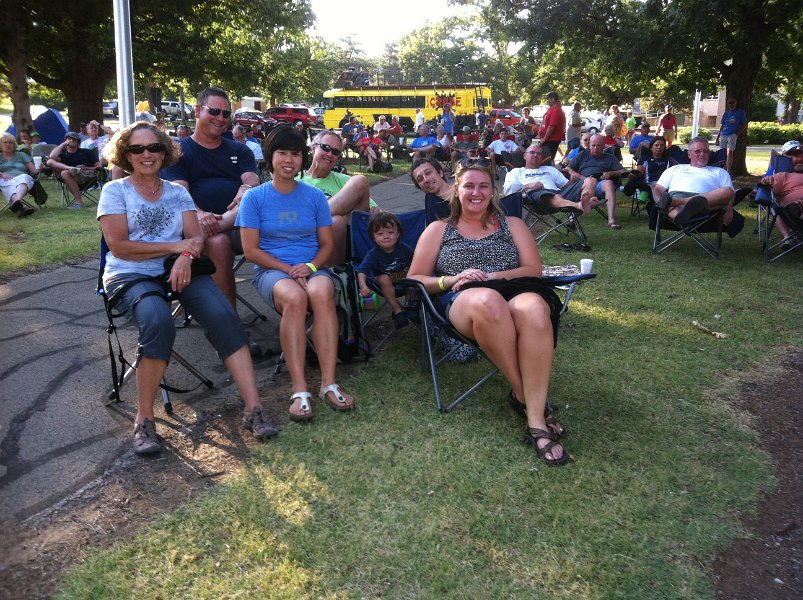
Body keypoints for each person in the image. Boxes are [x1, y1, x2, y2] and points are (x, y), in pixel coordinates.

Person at [97, 122, 278, 455]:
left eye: (154, 147)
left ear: (165, 152)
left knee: (224, 316)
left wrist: (184, 256)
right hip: (130, 274)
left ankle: (254, 408)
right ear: (126, 154)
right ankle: (144, 421)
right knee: (157, 320)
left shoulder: (178, 193)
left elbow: (195, 239)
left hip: (178, 269)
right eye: (137, 149)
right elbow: (119, 246)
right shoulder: (115, 191)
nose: (147, 154)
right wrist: (175, 248)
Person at [407, 163, 568, 465]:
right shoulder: (439, 229)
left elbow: (533, 269)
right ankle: (529, 402)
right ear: (457, 190)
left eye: (484, 186)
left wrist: (493, 276)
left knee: (535, 307)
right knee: (488, 300)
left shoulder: (512, 225)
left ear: (493, 191)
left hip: (513, 290)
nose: (476, 192)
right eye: (469, 185)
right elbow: (415, 278)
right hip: (462, 300)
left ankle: (530, 412)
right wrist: (451, 279)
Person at [237, 125, 356, 422]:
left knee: (322, 291)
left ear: (303, 157)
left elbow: (327, 244)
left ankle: (329, 384)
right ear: (270, 156)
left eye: (295, 154)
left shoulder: (314, 197)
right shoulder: (254, 198)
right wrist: (289, 269)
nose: (289, 160)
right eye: (282, 153)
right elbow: (251, 251)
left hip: (312, 267)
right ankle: (299, 388)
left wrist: (311, 267)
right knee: (294, 297)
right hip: (272, 270)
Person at [161, 86, 261, 348]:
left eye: (226, 114)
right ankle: (230, 332)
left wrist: (246, 188)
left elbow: (252, 177)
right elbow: (179, 192)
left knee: (257, 204)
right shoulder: (178, 151)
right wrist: (200, 214)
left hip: (240, 224)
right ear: (198, 111)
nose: (221, 118)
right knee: (217, 241)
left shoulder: (240, 150)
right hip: (196, 227)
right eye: (214, 111)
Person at [300, 129, 377, 264]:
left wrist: (377, 212)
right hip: (304, 236)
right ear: (313, 148)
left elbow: (373, 209)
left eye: (335, 152)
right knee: (335, 221)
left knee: (360, 181)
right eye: (325, 148)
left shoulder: (344, 180)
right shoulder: (297, 180)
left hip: (343, 241)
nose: (330, 154)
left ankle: (336, 271)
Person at [652, 136, 736, 227]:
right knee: (675, 208)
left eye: (706, 151)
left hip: (707, 200)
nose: (702, 154)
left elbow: (730, 194)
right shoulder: (675, 169)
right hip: (679, 196)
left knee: (728, 191)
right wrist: (660, 201)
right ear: (689, 154)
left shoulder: (720, 172)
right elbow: (658, 188)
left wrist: (729, 210)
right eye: (697, 151)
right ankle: (682, 210)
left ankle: (680, 203)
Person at [357, 211, 415, 329]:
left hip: (406, 281)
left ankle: (414, 306)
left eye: (390, 232)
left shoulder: (404, 249)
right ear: (373, 237)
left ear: (398, 234)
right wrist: (363, 286)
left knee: (414, 274)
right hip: (385, 285)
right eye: (380, 233)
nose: (386, 236)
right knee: (383, 278)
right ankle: (397, 311)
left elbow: (416, 262)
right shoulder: (373, 255)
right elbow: (362, 271)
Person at [503, 143, 596, 214]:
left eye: (538, 153)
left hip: (559, 193)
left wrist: (574, 182)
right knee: (551, 195)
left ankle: (585, 202)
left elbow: (567, 186)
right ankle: (577, 205)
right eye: (532, 152)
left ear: (541, 157)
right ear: (524, 156)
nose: (535, 155)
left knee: (590, 180)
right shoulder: (516, 171)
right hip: (536, 199)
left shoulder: (550, 169)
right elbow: (508, 190)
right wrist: (528, 186)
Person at [565, 133, 625, 228]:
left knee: (609, 183)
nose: (595, 148)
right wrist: (577, 175)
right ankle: (572, 219)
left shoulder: (610, 158)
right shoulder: (582, 155)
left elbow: (623, 171)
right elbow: (568, 168)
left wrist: (611, 173)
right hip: (582, 184)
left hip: (599, 185)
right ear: (589, 145)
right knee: (584, 182)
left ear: (604, 145)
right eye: (593, 145)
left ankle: (611, 220)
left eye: (598, 145)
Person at [759, 140, 803, 243]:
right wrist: (765, 181)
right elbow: (764, 185)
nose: (799, 159)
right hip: (794, 211)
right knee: (792, 208)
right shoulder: (783, 176)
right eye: (795, 156)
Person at [46, 131, 101, 209]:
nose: (71, 140)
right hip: (70, 175)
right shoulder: (63, 155)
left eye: (74, 139)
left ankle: (79, 202)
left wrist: (86, 168)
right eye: (69, 139)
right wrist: (63, 144)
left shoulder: (86, 152)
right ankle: (70, 168)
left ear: (78, 142)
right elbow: (52, 156)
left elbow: (99, 167)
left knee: (64, 173)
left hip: (87, 174)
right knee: (50, 162)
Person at [0, 132, 38, 217]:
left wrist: (40, 167)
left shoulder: (21, 155)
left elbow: (34, 171)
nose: (8, 145)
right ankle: (20, 207)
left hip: (21, 178)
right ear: (1, 145)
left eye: (10, 142)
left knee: (24, 177)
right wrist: (1, 174)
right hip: (5, 179)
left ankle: (17, 203)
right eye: (5, 142)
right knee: (8, 183)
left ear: (14, 145)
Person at [715, 97, 749, 174]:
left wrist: (736, 134)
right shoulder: (726, 113)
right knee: (722, 153)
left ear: (736, 103)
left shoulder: (740, 112)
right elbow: (722, 125)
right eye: (729, 103)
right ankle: (722, 169)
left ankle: (728, 170)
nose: (731, 104)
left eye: (733, 102)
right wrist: (718, 137)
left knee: (730, 152)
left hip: (732, 135)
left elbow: (744, 124)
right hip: (723, 135)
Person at [539, 91, 566, 159]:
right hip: (548, 139)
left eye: (548, 99)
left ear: (553, 99)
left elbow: (552, 126)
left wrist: (544, 139)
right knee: (545, 158)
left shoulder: (556, 110)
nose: (547, 101)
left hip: (551, 139)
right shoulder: (551, 109)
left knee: (547, 159)